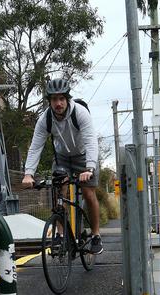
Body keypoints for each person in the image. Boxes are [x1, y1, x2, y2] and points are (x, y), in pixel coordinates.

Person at [21, 78, 103, 254]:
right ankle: (60, 235)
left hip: (83, 157)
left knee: (88, 193)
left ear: (67, 99)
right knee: (60, 192)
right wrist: (29, 173)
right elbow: (36, 146)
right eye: (54, 99)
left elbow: (90, 141)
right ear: (49, 101)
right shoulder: (45, 119)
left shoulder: (80, 113)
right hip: (62, 158)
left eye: (61, 99)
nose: (58, 103)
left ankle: (96, 235)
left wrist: (89, 168)